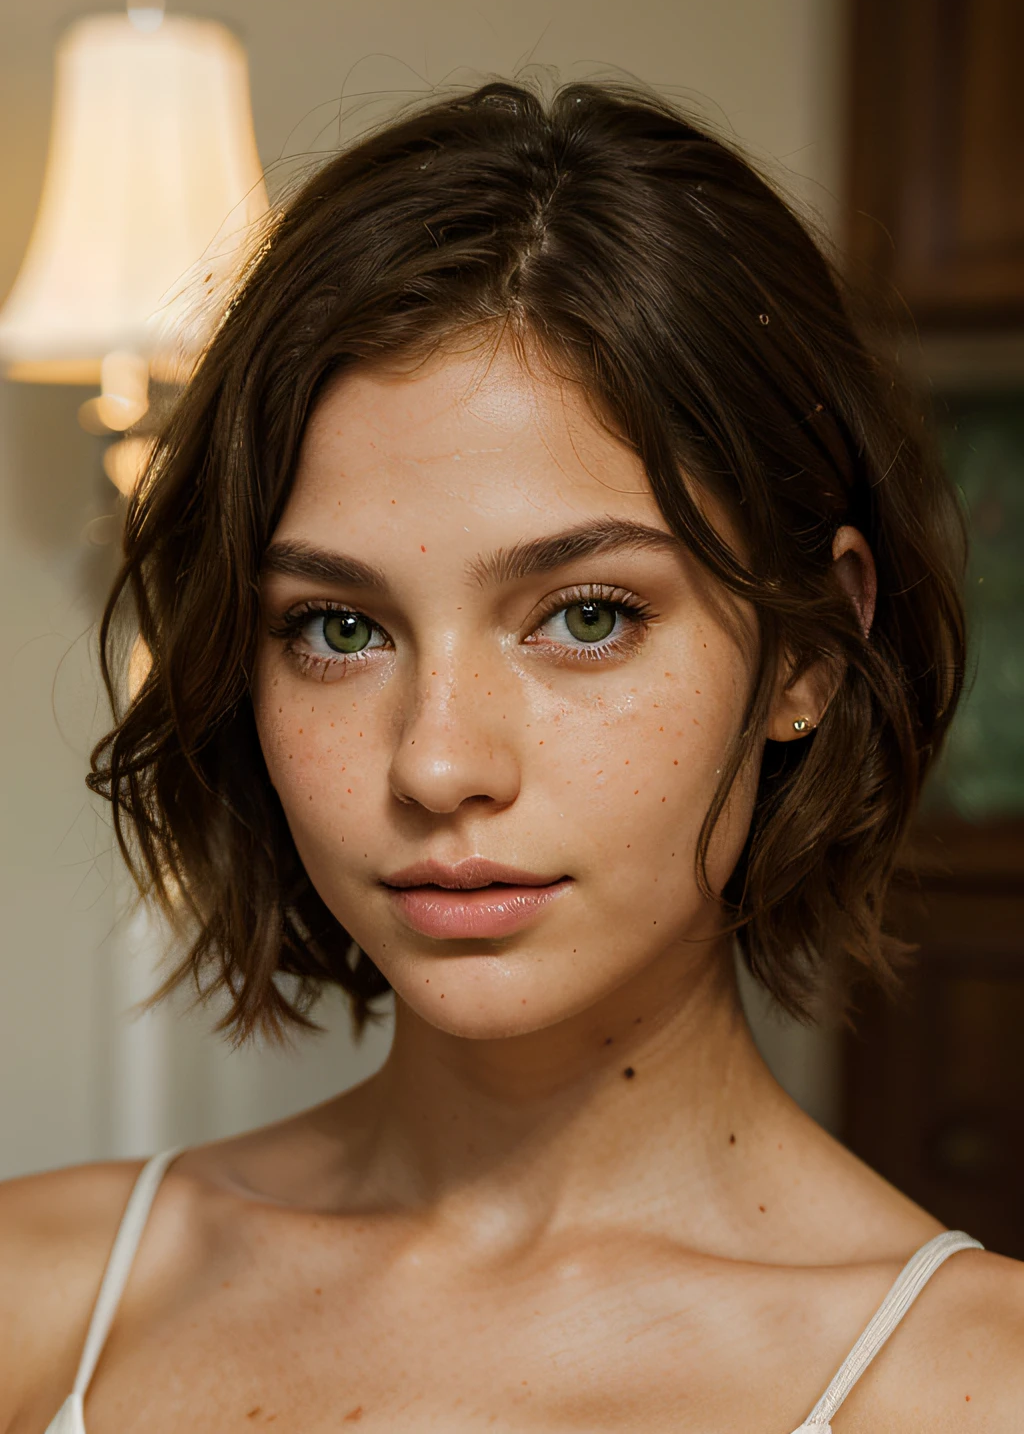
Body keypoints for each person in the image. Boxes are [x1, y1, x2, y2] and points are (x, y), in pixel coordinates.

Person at [1, 81, 1020, 1434]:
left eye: (588, 617)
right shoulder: (46, 1301)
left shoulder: (972, 1387)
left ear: (809, 650)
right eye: (340, 627)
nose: (436, 764)